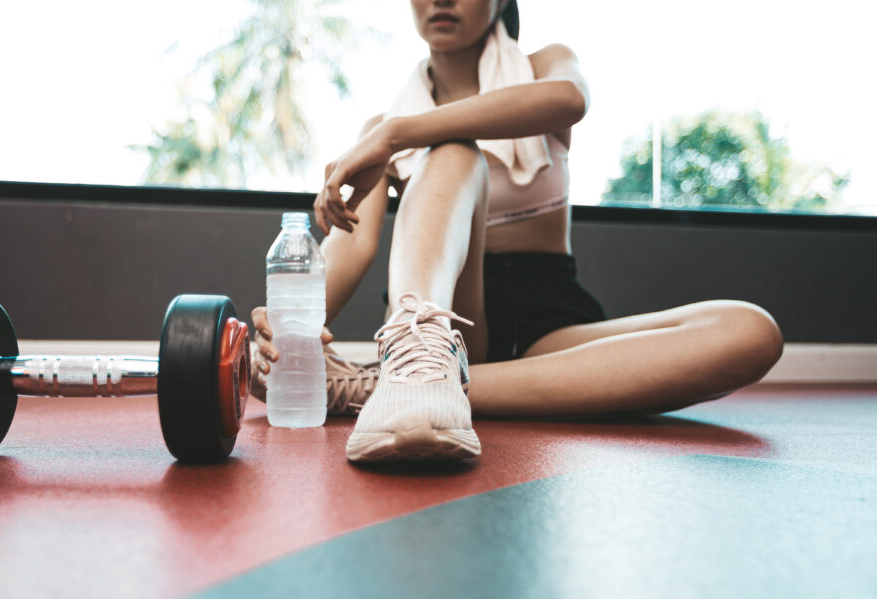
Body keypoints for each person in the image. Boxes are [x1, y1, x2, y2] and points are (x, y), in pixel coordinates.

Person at [252, 0, 784, 463]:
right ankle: (421, 362)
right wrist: (283, 333)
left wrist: (398, 134)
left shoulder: (541, 69)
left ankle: (384, 385)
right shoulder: (380, 132)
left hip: (549, 324)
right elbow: (351, 244)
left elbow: (569, 100)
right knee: (454, 154)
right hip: (447, 315)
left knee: (750, 332)